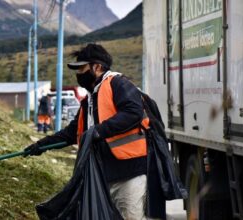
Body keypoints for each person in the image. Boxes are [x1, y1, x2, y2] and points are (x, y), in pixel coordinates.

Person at [24, 43, 149, 219]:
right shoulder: (89, 99)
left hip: (129, 174)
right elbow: (72, 133)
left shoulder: (119, 83)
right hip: (103, 174)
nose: (78, 74)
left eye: (81, 69)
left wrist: (99, 131)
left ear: (96, 67)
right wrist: (41, 145)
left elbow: (133, 112)